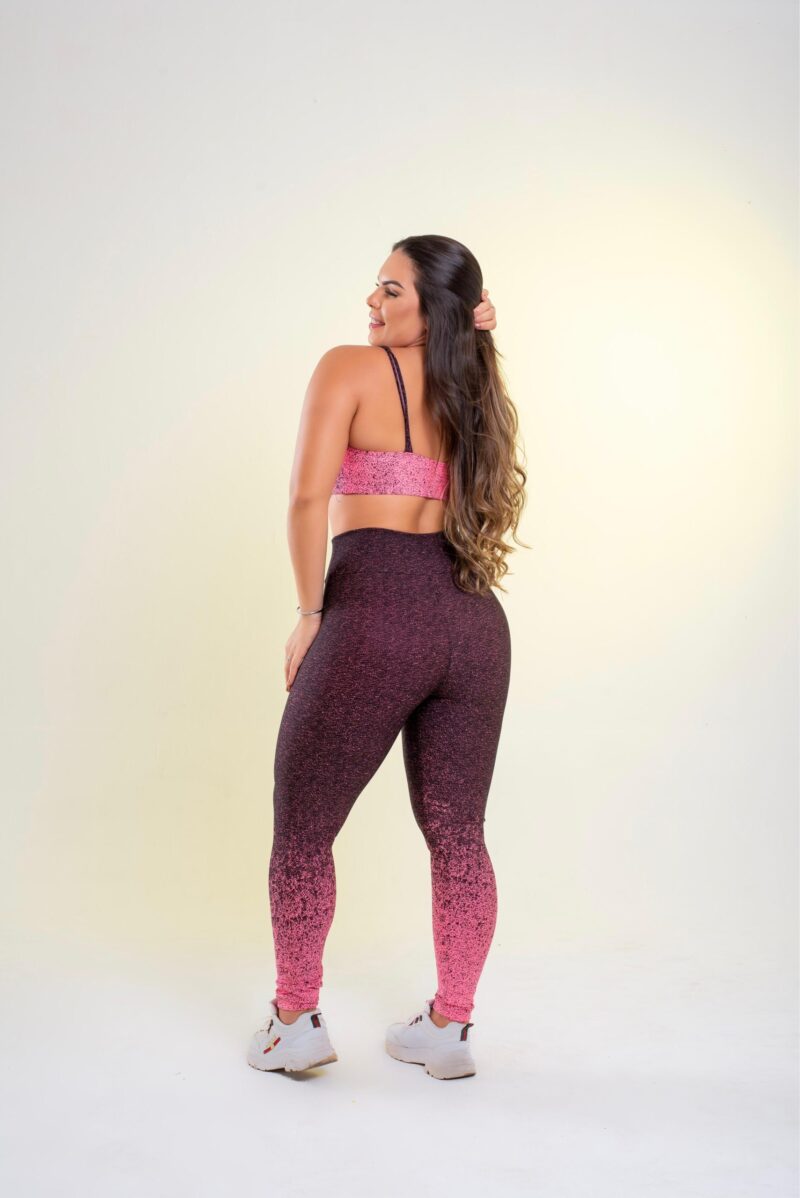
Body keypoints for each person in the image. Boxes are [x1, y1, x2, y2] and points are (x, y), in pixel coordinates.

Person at [247, 234, 528, 1080]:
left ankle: (295, 1019)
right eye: (376, 287)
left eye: (392, 289)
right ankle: (450, 1027)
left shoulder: (348, 368)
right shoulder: (472, 384)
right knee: (459, 834)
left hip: (376, 617)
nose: (372, 301)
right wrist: (473, 330)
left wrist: (311, 613)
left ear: (432, 308)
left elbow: (306, 498)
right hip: (474, 625)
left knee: (303, 825)